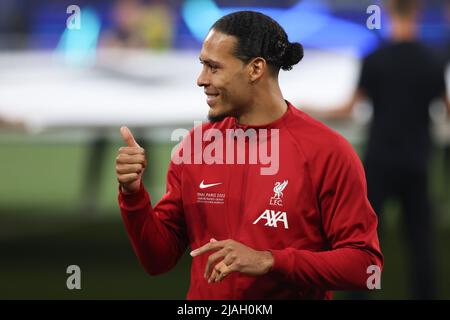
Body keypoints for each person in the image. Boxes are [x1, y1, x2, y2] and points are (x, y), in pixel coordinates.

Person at [116, 11, 383, 300]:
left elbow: (365, 267)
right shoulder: (196, 146)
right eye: (202, 65)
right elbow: (158, 260)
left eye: (213, 67)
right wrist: (133, 195)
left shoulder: (328, 151)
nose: (200, 79)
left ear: (255, 69)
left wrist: (269, 260)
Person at [305, 0, 449, 299]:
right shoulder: (433, 59)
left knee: (364, 244)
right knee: (421, 245)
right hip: (418, 163)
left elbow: (348, 108)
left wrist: (308, 110)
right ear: (418, 12)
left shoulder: (375, 58)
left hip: (379, 162)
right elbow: (446, 110)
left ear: (387, 11)